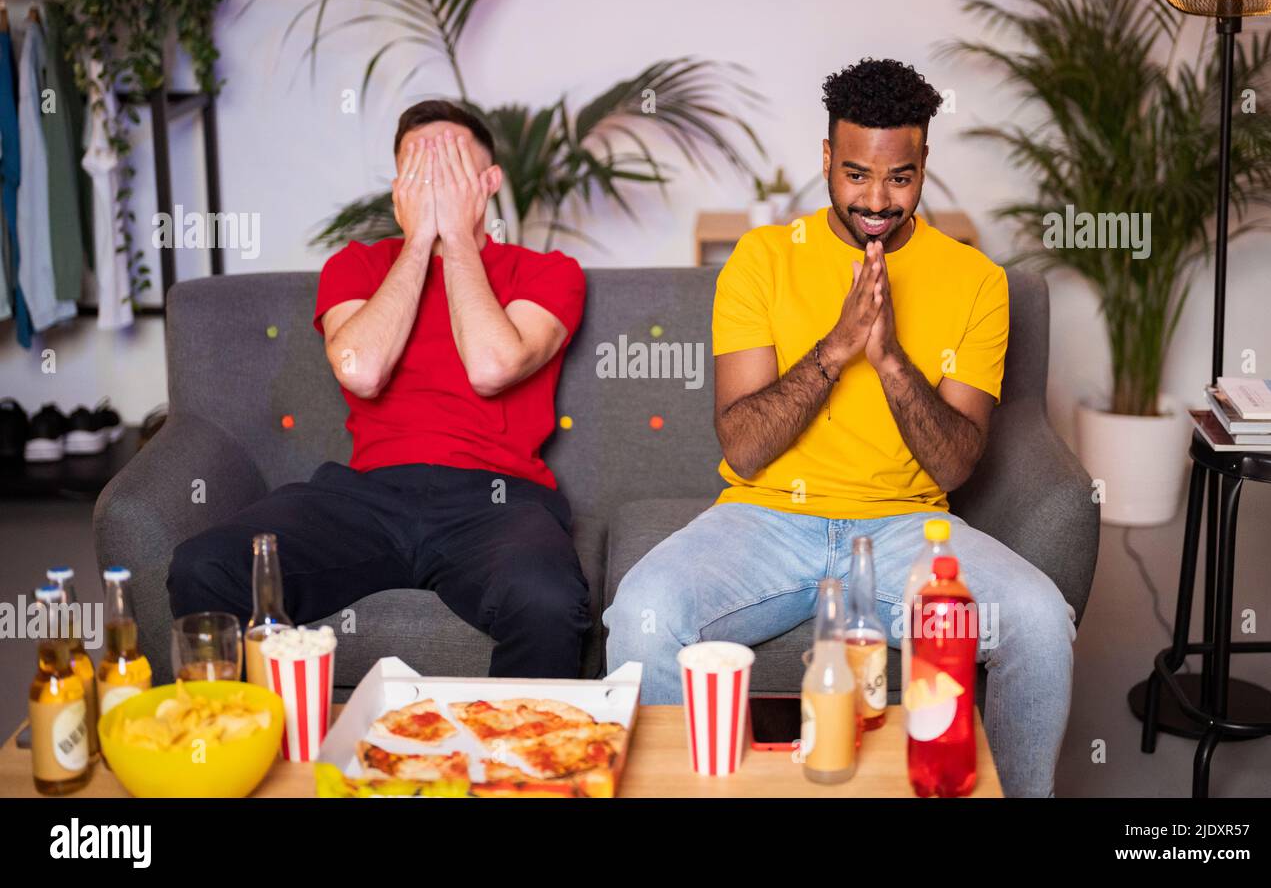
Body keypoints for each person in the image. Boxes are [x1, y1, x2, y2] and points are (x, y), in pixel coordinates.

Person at [603, 59, 1077, 797]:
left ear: (924, 165)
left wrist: (888, 358)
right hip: (764, 518)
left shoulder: (978, 281)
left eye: (901, 177)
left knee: (1041, 621)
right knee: (643, 611)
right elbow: (743, 445)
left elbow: (956, 467)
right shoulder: (760, 261)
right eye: (856, 174)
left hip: (904, 532)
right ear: (826, 158)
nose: (878, 200)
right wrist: (835, 348)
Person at [168, 100, 591, 677]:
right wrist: (420, 244)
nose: (436, 186)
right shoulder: (358, 266)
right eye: (421, 173)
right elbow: (360, 369)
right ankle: (232, 752)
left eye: (453, 171)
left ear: (488, 182)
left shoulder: (546, 272)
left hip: (497, 501)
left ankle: (517, 764)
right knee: (204, 566)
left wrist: (458, 241)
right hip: (367, 498)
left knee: (547, 602)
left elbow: (492, 365)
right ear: (398, 191)